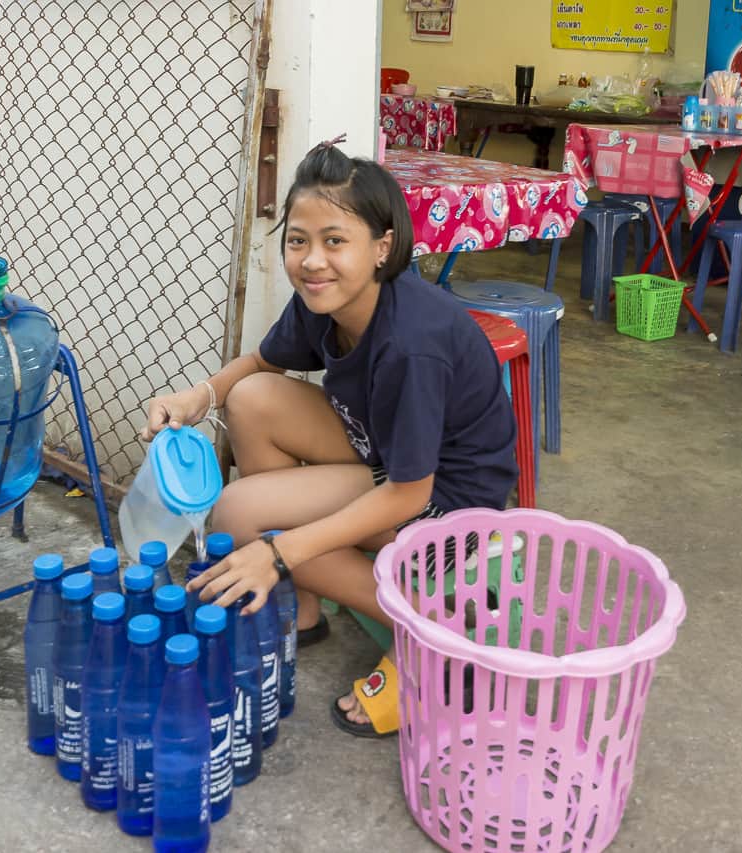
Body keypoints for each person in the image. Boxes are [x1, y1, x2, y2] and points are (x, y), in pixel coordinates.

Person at [139, 136, 517, 738]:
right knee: (251, 400)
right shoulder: (325, 299)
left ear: (382, 247)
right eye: (299, 241)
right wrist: (197, 397)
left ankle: (435, 630)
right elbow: (260, 364)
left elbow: (410, 495)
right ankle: (307, 607)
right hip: (384, 456)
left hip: (447, 501)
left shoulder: (410, 344)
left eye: (335, 241)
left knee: (237, 518)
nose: (312, 261)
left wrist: (278, 549)